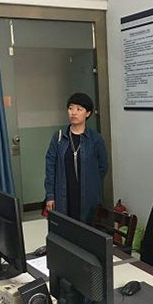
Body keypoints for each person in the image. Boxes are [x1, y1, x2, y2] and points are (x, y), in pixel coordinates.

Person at [44, 93, 108, 225]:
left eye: (79, 109)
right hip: (64, 194)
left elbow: (103, 167)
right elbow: (50, 167)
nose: (74, 112)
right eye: (71, 108)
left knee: (87, 229)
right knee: (65, 228)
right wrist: (50, 195)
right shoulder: (59, 138)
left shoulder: (95, 139)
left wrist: (91, 183)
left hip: (88, 196)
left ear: (88, 113)